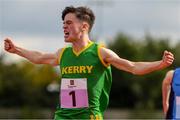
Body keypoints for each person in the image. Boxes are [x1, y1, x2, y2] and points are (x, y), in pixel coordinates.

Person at [4, 6, 174, 120]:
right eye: (63, 24)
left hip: (89, 117)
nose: (64, 27)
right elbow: (39, 57)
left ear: (84, 26)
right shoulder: (63, 53)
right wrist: (16, 50)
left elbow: (133, 67)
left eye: (69, 23)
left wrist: (160, 64)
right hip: (63, 116)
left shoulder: (100, 53)